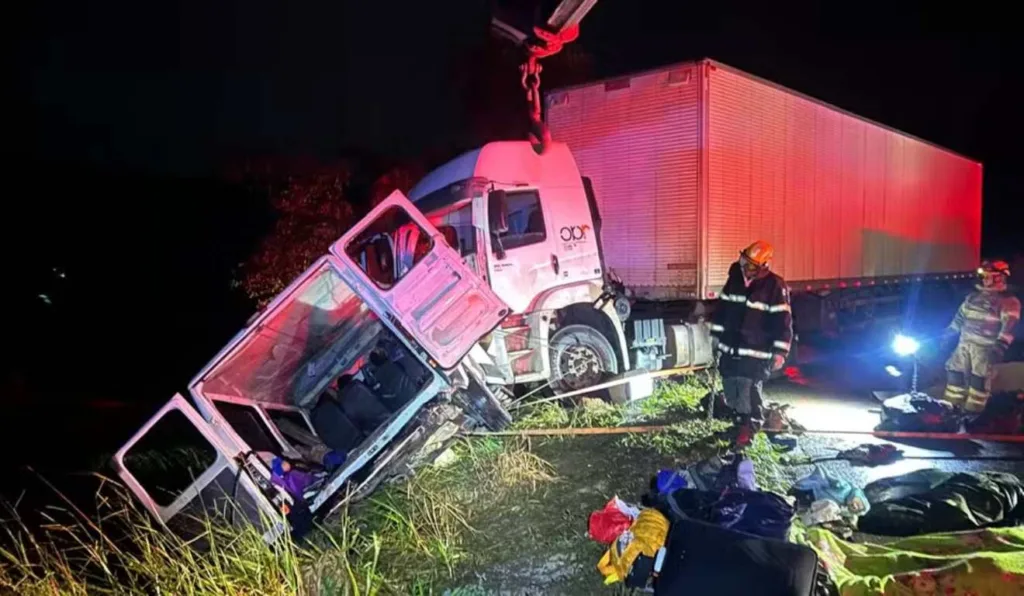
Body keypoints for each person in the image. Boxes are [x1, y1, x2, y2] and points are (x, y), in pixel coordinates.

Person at [710, 240, 794, 446]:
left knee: (749, 393)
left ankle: (748, 431)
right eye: (743, 261)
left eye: (750, 265)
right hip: (731, 349)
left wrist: (780, 352)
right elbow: (722, 310)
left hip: (756, 352)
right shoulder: (735, 280)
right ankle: (738, 426)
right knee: (731, 389)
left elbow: (783, 321)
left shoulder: (775, 286)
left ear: (763, 266)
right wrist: (716, 337)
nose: (745, 268)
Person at [942, 260, 1020, 423]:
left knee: (979, 382)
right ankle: (950, 410)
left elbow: (1008, 328)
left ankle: (972, 416)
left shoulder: (1008, 302)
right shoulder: (972, 298)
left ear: (999, 278)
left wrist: (999, 347)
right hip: (964, 345)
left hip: (984, 349)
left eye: (988, 276)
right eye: (983, 276)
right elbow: (959, 319)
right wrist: (946, 335)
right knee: (954, 374)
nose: (984, 279)